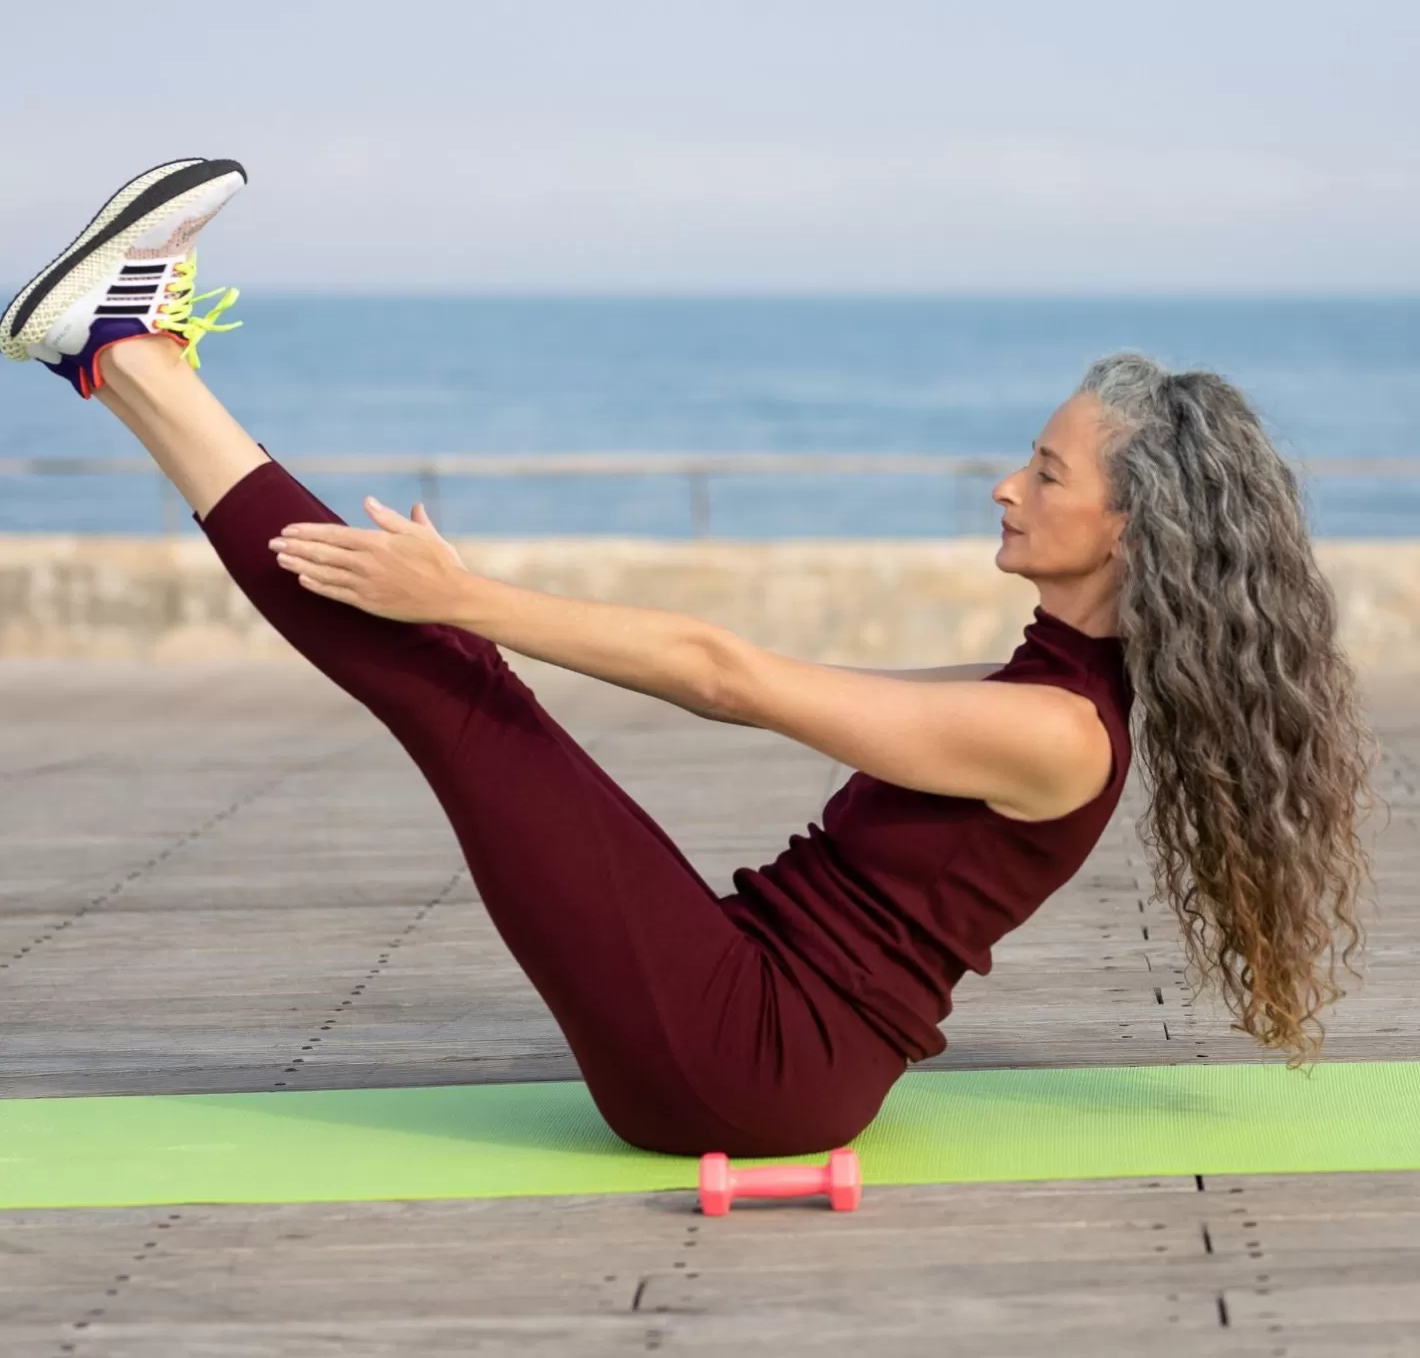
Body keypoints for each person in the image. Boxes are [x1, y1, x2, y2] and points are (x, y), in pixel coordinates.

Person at [1, 159, 1383, 1157]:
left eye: (1045, 469)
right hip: (750, 1009)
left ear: (1129, 529)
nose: (1008, 488)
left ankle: (126, 356)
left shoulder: (1061, 736)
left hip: (749, 1063)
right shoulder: (1046, 702)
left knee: (455, 686)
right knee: (454, 683)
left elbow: (726, 673)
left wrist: (466, 589)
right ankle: (126, 359)